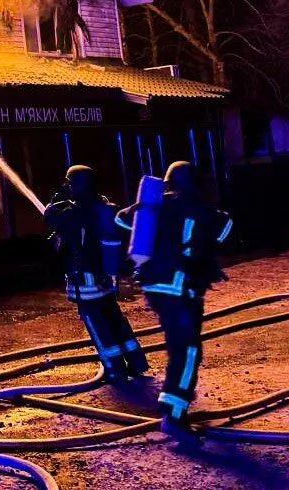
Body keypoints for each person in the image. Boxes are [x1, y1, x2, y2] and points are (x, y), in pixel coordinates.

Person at [118, 160, 234, 447]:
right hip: (181, 289)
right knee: (187, 351)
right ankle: (174, 415)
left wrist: (146, 206)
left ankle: (173, 407)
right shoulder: (205, 211)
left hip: (155, 286)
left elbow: (120, 219)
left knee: (179, 348)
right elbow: (225, 231)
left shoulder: (155, 206)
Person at [43, 165, 149, 383]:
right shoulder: (103, 207)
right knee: (114, 319)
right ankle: (136, 361)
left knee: (98, 325)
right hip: (107, 280)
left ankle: (114, 369)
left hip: (86, 282)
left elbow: (51, 216)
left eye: (70, 182)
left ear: (79, 185)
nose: (67, 186)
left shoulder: (75, 214)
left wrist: (56, 198)